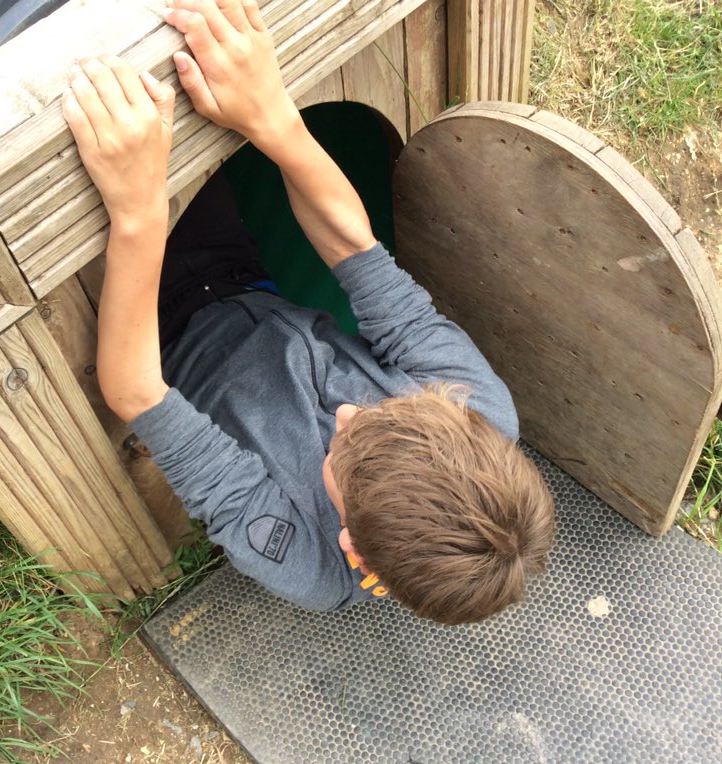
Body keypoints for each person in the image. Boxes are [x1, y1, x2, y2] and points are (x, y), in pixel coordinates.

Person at [61, 0, 554, 624]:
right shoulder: (481, 412)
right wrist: (272, 116)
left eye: (339, 448)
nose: (345, 411)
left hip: (142, 335)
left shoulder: (307, 562)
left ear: (352, 545)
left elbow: (137, 393)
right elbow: (358, 252)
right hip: (242, 277)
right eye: (381, 410)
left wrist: (138, 214)